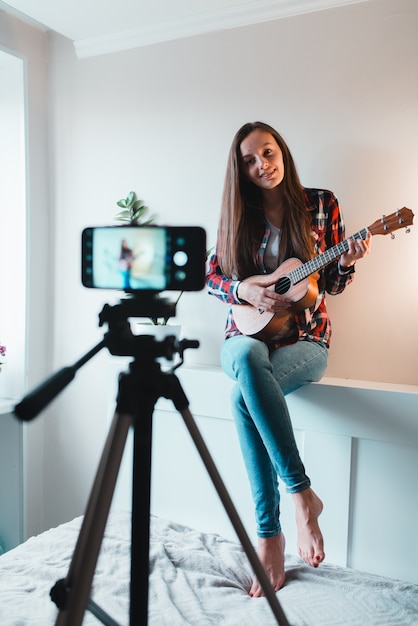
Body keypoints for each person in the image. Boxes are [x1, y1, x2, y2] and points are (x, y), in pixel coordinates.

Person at [206, 121, 371, 597]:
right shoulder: (236, 213)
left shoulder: (321, 203)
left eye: (269, 152)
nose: (264, 164)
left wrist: (348, 260)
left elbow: (332, 287)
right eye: (251, 160)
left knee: (243, 399)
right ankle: (302, 497)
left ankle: (269, 536)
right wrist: (243, 289)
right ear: (241, 170)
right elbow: (211, 275)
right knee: (245, 358)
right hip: (245, 335)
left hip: (306, 341)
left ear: (283, 151)